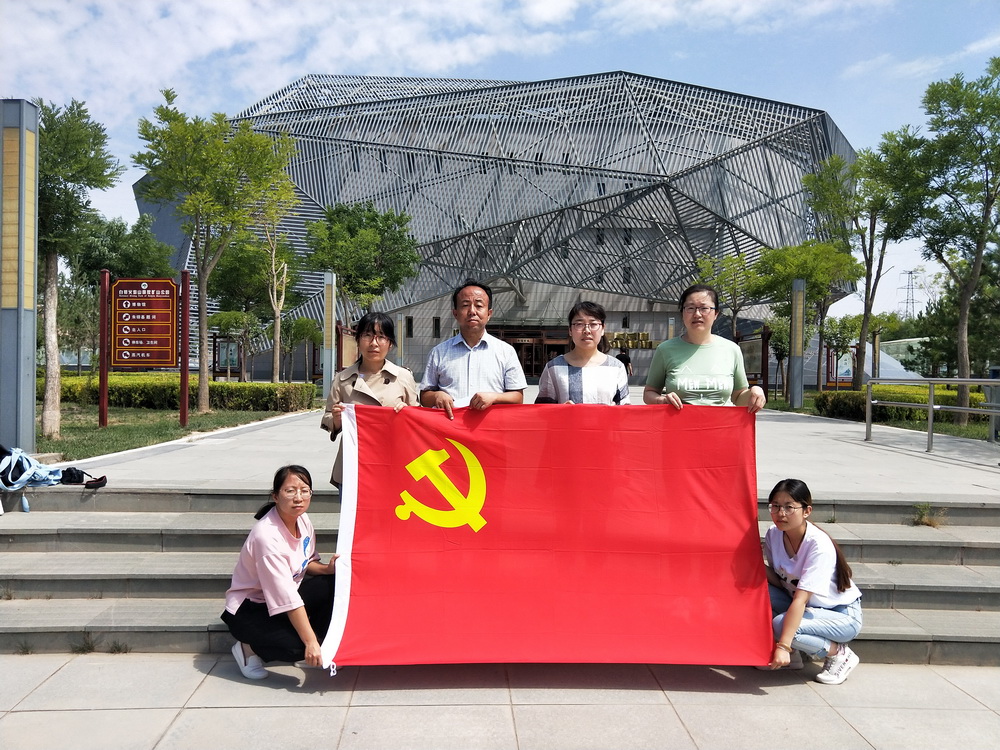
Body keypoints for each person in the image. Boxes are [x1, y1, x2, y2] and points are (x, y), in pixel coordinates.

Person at [221, 465, 336, 680]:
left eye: (304, 490)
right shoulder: (267, 537)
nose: (298, 498)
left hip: (283, 597)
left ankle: (311, 646)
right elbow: (288, 599)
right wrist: (310, 642)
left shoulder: (302, 519)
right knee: (298, 647)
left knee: (334, 582)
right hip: (250, 609)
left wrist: (327, 569)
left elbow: (307, 562)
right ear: (275, 496)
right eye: (290, 491)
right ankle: (248, 649)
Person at [761, 478, 863, 685]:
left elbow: (800, 599)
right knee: (758, 593)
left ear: (806, 511)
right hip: (809, 607)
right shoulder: (774, 534)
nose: (781, 513)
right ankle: (793, 657)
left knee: (781, 624)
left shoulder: (818, 545)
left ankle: (839, 653)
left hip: (841, 615)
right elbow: (781, 581)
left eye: (789, 507)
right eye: (775, 506)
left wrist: (783, 645)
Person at [320, 311, 418, 485]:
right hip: (354, 462)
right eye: (367, 335)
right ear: (358, 340)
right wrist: (336, 419)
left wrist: (408, 413)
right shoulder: (342, 379)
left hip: (393, 460)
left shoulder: (403, 377)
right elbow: (327, 416)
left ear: (390, 344)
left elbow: (418, 417)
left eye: (381, 337)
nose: (374, 343)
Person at [643, 283, 766, 411]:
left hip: (722, 423)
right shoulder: (665, 350)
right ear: (682, 313)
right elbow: (649, 393)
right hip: (679, 423)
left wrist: (755, 392)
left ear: (716, 313)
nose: (697, 314)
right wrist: (662, 401)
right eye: (690, 308)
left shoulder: (731, 349)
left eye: (704, 308)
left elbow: (738, 397)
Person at [420, 278, 527, 419]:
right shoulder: (438, 352)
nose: (472, 311)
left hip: (491, 427)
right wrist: (436, 396)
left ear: (489, 314)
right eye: (465, 305)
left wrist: (494, 397)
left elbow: (518, 397)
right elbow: (424, 396)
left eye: (479, 305)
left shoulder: (506, 352)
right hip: (450, 428)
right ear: (455, 313)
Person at [535, 301, 629, 405]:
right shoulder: (553, 367)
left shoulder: (616, 367)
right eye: (579, 324)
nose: (587, 330)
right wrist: (561, 410)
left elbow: (625, 408)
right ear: (570, 330)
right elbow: (543, 409)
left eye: (593, 324)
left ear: (602, 329)